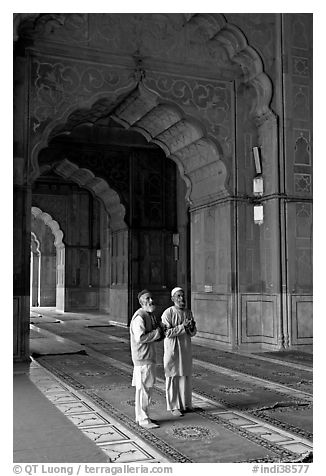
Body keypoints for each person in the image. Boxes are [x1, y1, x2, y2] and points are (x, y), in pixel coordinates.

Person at [129, 289, 164, 429]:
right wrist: (157, 333)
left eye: (151, 298)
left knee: (143, 389)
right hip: (142, 358)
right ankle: (143, 419)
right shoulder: (140, 317)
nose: (151, 301)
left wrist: (159, 332)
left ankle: (141, 417)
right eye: (147, 299)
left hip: (146, 357)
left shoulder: (148, 315)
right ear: (141, 302)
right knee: (144, 389)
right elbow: (141, 338)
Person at [161, 286, 197, 417]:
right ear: (172, 299)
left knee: (185, 376)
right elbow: (166, 332)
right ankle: (174, 406)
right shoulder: (168, 313)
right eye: (178, 296)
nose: (182, 299)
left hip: (185, 348)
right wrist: (183, 327)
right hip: (173, 350)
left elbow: (192, 332)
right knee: (173, 376)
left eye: (183, 296)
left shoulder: (188, 312)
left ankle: (186, 404)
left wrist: (191, 328)